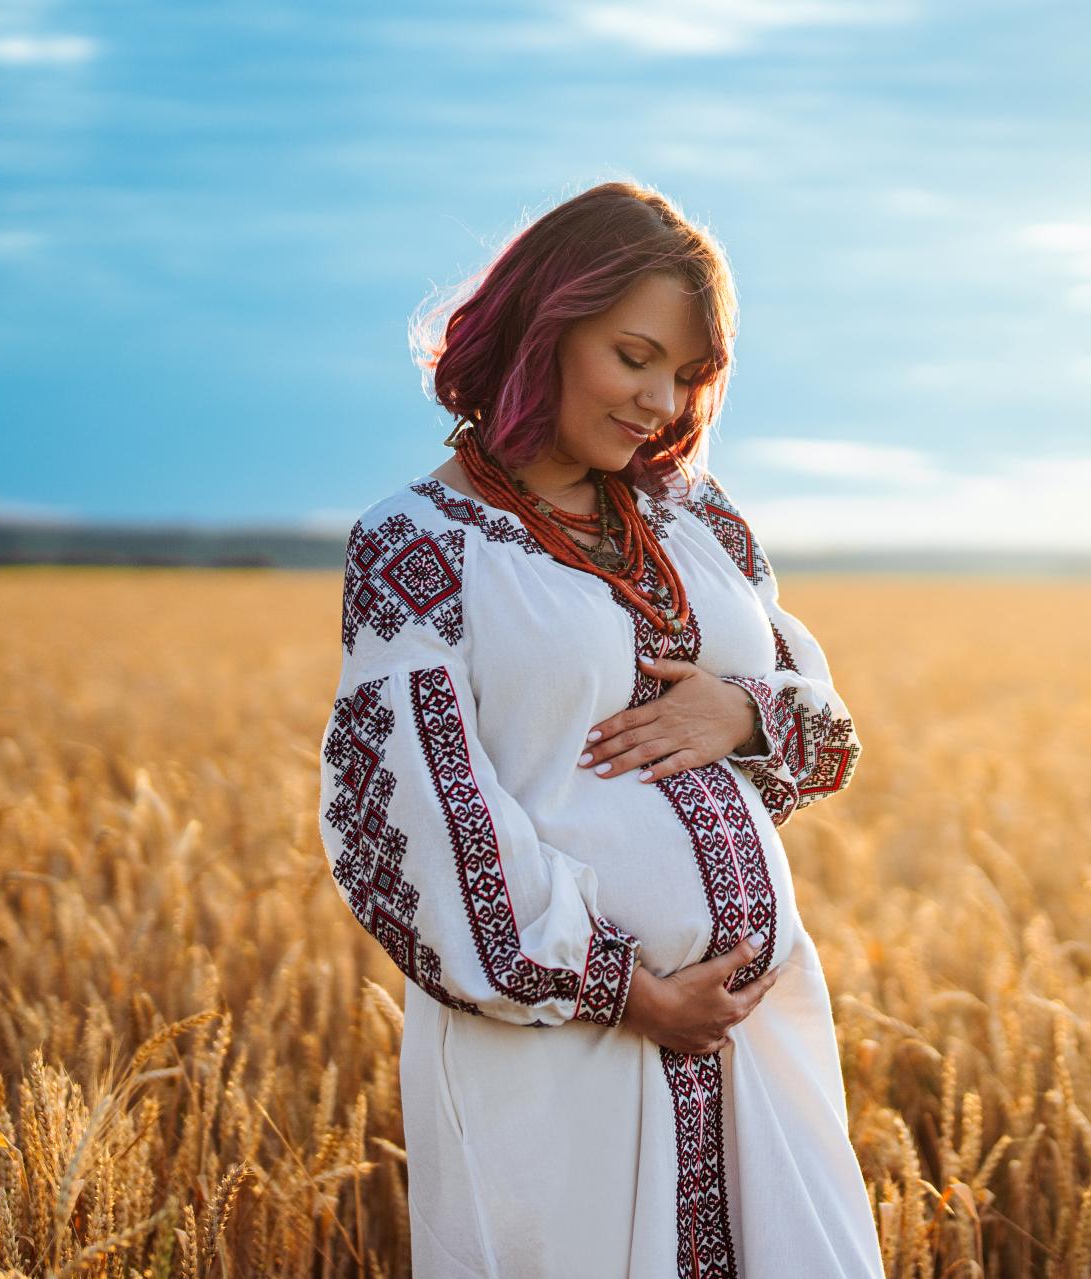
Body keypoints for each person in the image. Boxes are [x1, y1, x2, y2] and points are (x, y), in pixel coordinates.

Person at [315, 180, 883, 1278]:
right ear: (547, 326)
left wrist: (743, 710)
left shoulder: (698, 518)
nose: (661, 401)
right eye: (635, 357)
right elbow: (409, 821)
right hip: (563, 1061)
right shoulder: (419, 545)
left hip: (761, 1044)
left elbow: (825, 735)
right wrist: (631, 991)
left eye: (686, 374)